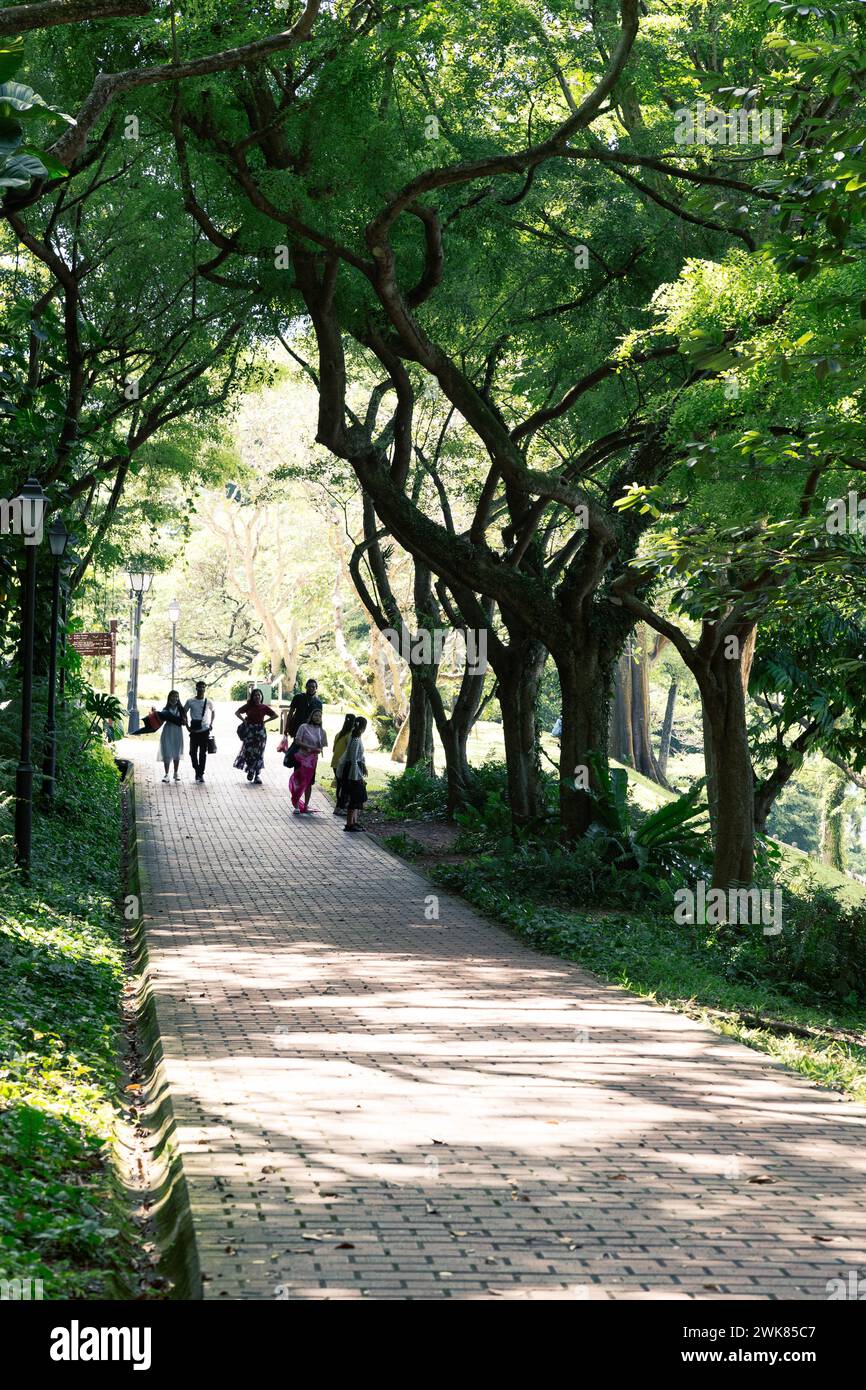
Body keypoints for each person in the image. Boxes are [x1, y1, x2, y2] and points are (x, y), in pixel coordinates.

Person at [234, 688, 278, 785]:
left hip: (260, 733)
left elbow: (275, 715)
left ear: (261, 696)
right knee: (248, 752)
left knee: (259, 753)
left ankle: (257, 774)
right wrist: (244, 721)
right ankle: (250, 770)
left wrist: (265, 722)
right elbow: (237, 712)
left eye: (259, 695)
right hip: (250, 732)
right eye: (255, 695)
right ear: (252, 697)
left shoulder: (264, 707)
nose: (257, 697)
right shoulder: (248, 706)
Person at [289, 704, 327, 814]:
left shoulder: (322, 731)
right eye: (316, 715)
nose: (317, 718)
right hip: (301, 758)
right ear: (311, 716)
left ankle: (305, 805)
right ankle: (296, 804)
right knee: (298, 781)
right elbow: (297, 741)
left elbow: (321, 747)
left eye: (319, 716)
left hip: (312, 761)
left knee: (309, 783)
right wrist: (309, 747)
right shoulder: (303, 727)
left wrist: (317, 750)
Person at [335, 716, 368, 832]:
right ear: (363, 727)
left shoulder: (357, 738)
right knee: (355, 797)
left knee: (358, 798)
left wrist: (363, 766)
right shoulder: (354, 739)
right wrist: (356, 776)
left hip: (355, 769)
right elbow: (353, 759)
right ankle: (349, 824)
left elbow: (359, 757)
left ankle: (354, 822)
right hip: (352, 771)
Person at [184, 681, 215, 783]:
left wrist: (211, 724)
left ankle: (200, 774)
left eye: (203, 687)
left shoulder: (208, 701)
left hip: (205, 731)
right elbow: (183, 713)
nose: (201, 689)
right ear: (196, 688)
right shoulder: (190, 701)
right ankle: (197, 770)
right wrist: (187, 726)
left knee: (202, 753)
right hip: (193, 731)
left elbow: (213, 711)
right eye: (199, 687)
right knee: (192, 752)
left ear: (205, 689)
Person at [330, 712, 355, 816]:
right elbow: (350, 751)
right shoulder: (350, 735)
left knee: (340, 786)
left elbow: (334, 749)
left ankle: (338, 807)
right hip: (343, 764)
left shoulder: (338, 734)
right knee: (344, 787)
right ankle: (339, 807)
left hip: (335, 763)